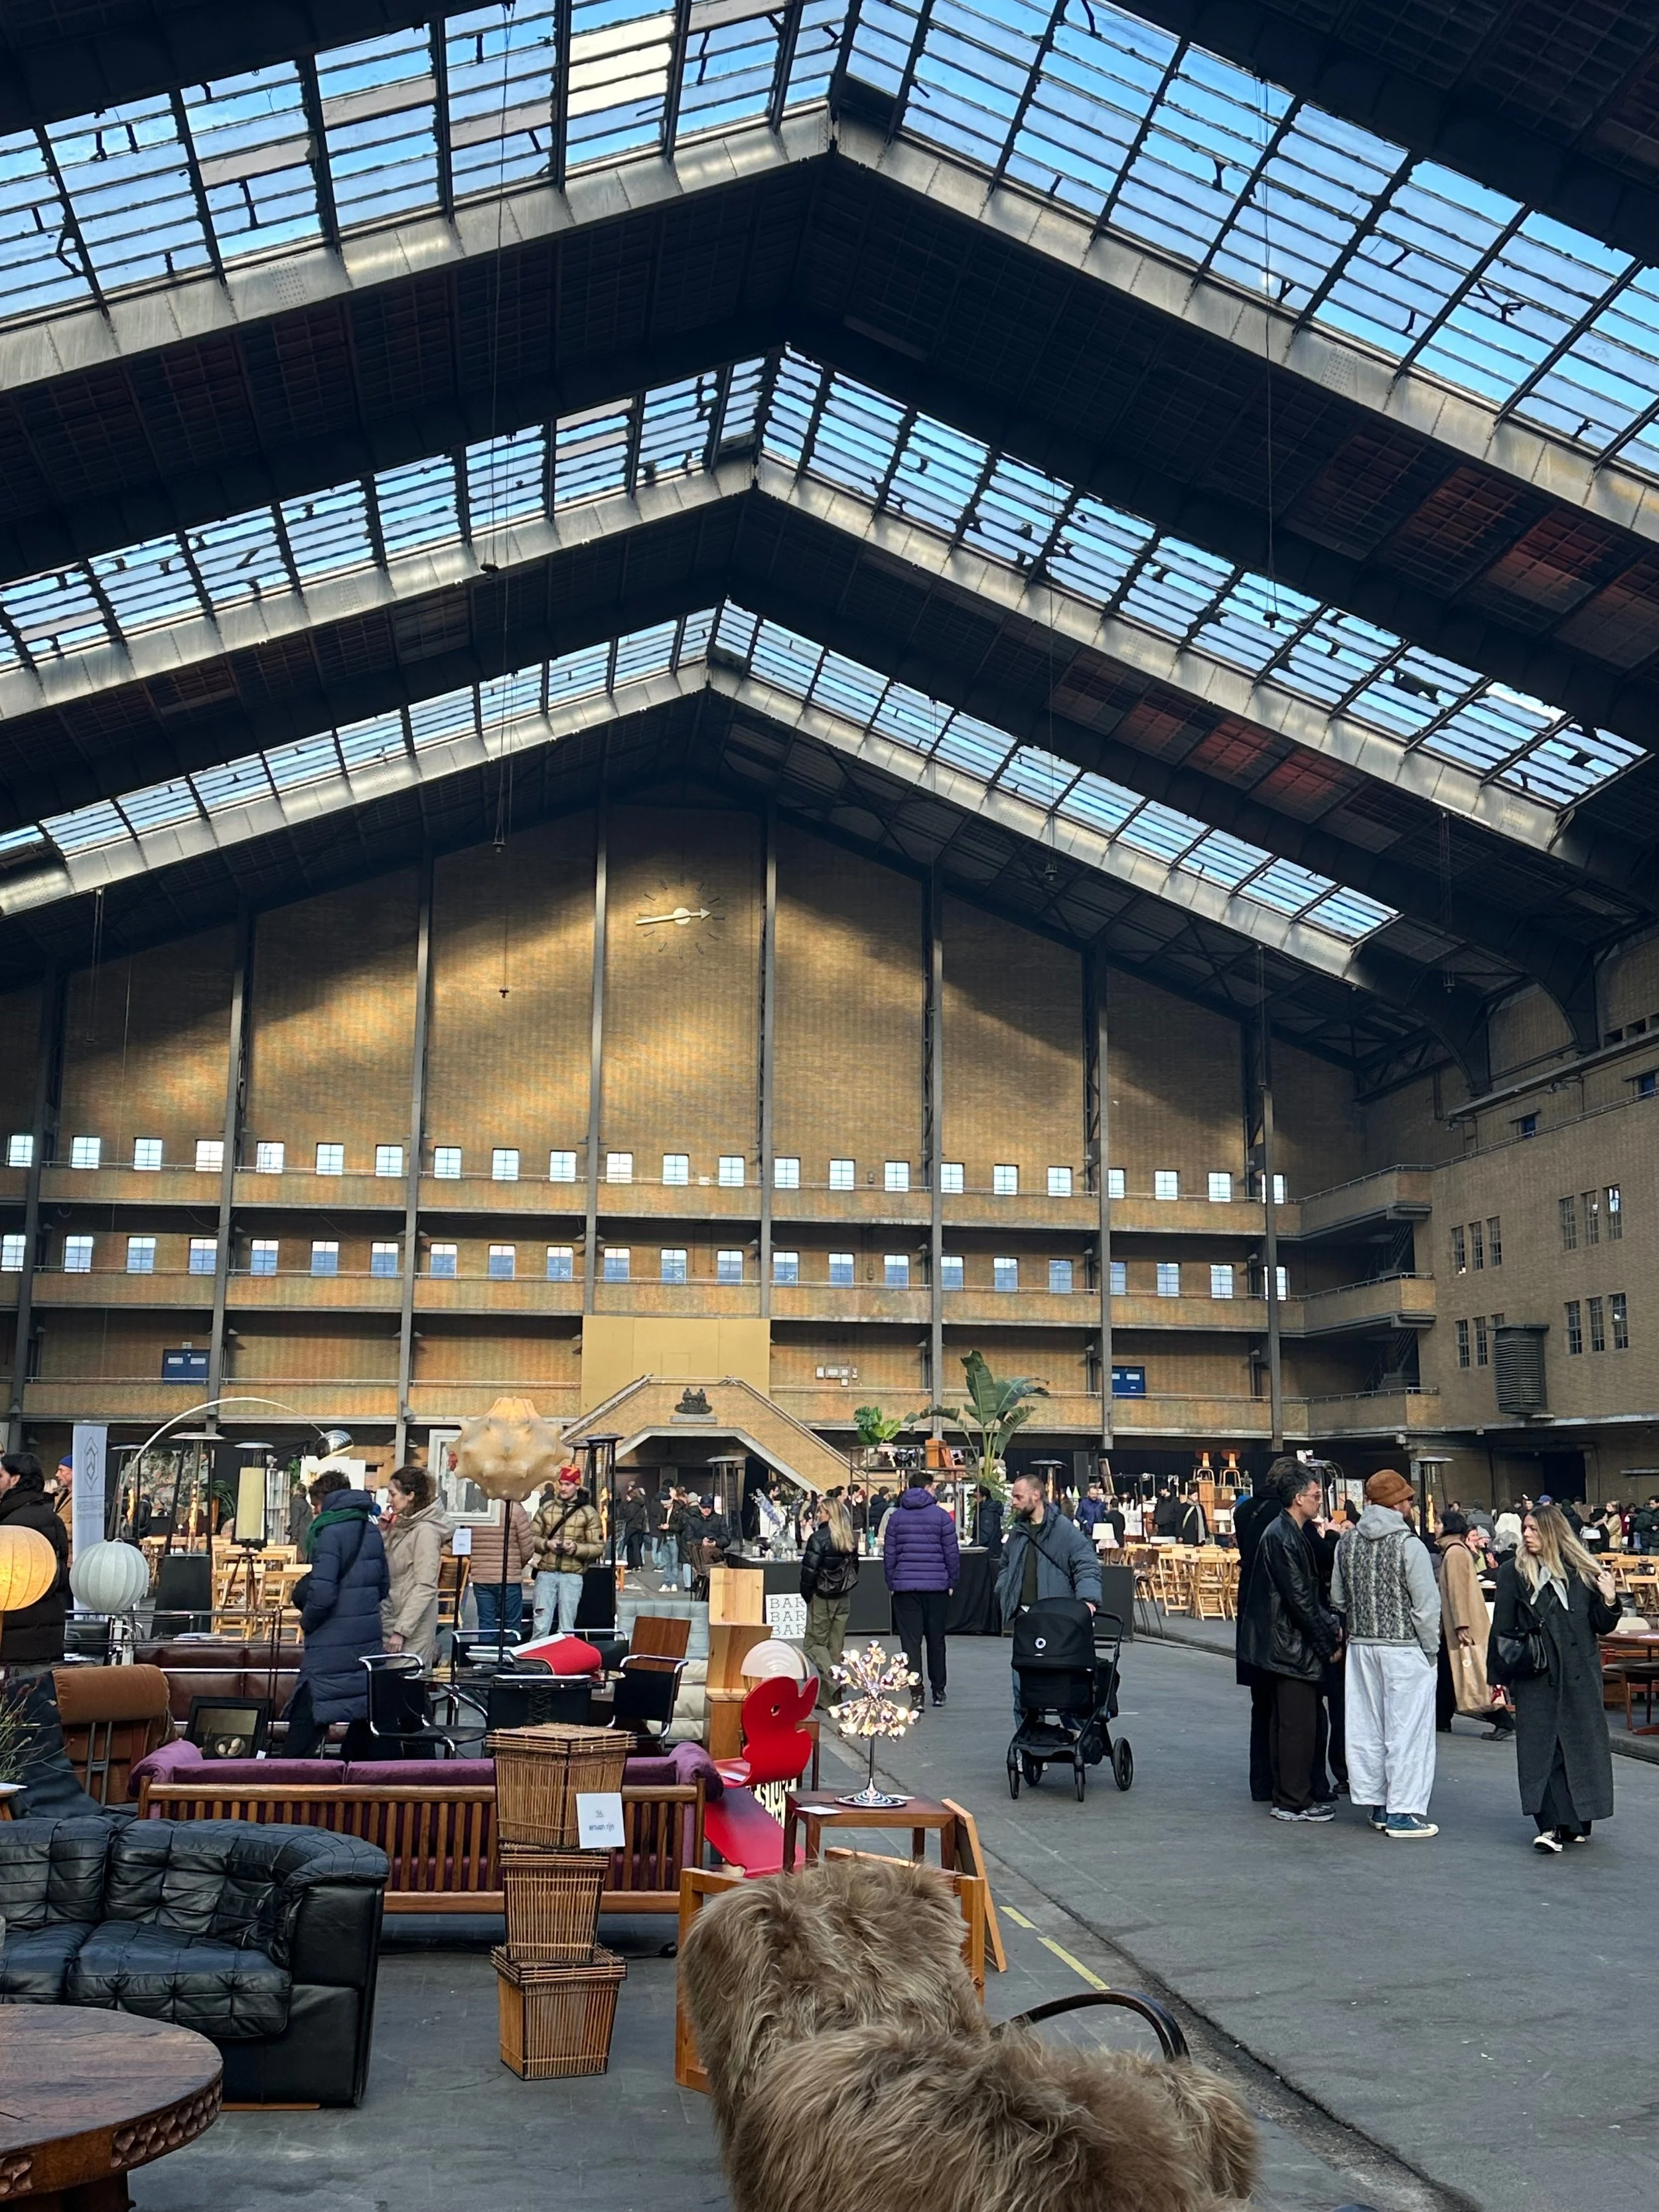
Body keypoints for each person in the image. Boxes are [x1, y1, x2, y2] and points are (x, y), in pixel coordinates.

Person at [1491, 1503, 1621, 1852]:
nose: (1527, 1536)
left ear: (1551, 1532)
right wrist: (1498, 1678)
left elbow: (1601, 1623)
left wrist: (1610, 1599)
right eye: (1525, 1529)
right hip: (1536, 1673)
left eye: (1534, 1530)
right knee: (1541, 1749)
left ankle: (1575, 1821)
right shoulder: (1513, 1572)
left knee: (1577, 1746)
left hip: (1580, 1672)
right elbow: (1502, 1627)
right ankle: (1549, 1825)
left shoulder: (1583, 1570)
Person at [1331, 1470, 1441, 1840]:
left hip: (1361, 1647)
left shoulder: (1346, 1544)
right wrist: (1431, 1651)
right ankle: (1403, 1811)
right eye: (1408, 1499)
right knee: (1407, 1731)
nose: (1410, 1504)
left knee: (1367, 1727)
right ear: (1398, 1504)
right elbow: (1426, 1606)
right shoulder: (1409, 1545)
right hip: (1404, 1648)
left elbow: (1338, 1598)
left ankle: (1377, 1802)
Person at [1236, 1461, 1341, 1822]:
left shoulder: (1284, 1531)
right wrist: (1329, 1638)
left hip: (1283, 1641)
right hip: (1289, 1646)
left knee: (1292, 1721)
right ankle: (1293, 1799)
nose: (1318, 1502)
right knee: (1297, 1725)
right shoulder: (1283, 1536)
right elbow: (1300, 1599)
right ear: (1299, 1498)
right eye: (1315, 1496)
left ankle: (1290, 1794)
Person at [285, 1471, 388, 1757]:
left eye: (316, 1506)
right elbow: (384, 1585)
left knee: (310, 1704)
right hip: (366, 1635)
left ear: (326, 1502)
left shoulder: (328, 1533)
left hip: (331, 1637)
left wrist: (307, 1622)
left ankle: (288, 1779)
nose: (315, 1512)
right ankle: (356, 1775)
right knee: (362, 1703)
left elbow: (323, 1593)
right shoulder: (371, 1530)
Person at [996, 1468, 1104, 1717]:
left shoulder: (1063, 1529)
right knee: (1023, 1691)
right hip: (1026, 1620)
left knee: (1062, 1686)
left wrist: (1088, 1602)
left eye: (1017, 1497)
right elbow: (1005, 1564)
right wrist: (1004, 1589)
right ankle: (1029, 1747)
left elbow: (1086, 1563)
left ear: (1036, 1496)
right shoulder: (1018, 1532)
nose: (1013, 1502)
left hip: (1057, 1621)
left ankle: (1077, 1738)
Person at [1232, 1462, 1287, 1804]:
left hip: (1248, 1606)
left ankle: (1260, 1781)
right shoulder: (1283, 1517)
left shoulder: (1245, 1512)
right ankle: (1287, 1778)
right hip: (1276, 1611)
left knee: (1260, 1705)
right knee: (1288, 1706)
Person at [882, 1469, 959, 1709]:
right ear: (927, 1488)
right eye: (934, 1487)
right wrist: (952, 1582)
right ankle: (939, 1690)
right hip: (936, 1587)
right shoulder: (942, 1517)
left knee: (910, 1643)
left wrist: (892, 1582)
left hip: (906, 1588)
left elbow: (890, 1555)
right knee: (936, 1640)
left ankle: (916, 1693)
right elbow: (952, 1553)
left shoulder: (896, 1517)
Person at [1437, 1511, 1510, 1739]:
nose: (1436, 1526)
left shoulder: (1455, 1553)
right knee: (1447, 1673)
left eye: (1439, 1523)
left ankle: (1502, 1719)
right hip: (1456, 1625)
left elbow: (1457, 1591)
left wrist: (1461, 1624)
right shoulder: (1455, 1551)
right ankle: (1441, 1719)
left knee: (1473, 1675)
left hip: (1461, 1626)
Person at [0, 1451, 70, 1672]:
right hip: (40, 1636)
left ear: (15, 1479)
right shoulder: (46, 1515)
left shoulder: (15, 1521)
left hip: (18, 1635)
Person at [380, 1465, 450, 1668]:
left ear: (410, 1495)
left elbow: (425, 1586)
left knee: (403, 1689)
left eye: (392, 1494)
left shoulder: (425, 1532)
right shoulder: (403, 1527)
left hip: (409, 1630)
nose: (388, 1500)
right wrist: (384, 1534)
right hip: (394, 1619)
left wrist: (401, 1631)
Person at [531, 1465, 605, 1635]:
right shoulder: (547, 1508)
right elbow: (530, 1537)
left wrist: (575, 1548)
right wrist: (547, 1544)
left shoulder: (589, 1513)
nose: (563, 1488)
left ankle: (562, 1661)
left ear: (577, 1486)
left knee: (566, 1628)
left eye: (568, 1484)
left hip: (572, 1575)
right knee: (540, 1627)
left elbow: (598, 1547)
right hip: (546, 1573)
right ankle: (536, 1660)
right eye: (561, 1483)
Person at [800, 1495, 860, 1682]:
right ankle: (830, 1700)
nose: (818, 1515)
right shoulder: (848, 1537)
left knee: (814, 1645)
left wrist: (807, 1593)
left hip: (822, 1596)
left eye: (821, 1511)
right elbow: (855, 1567)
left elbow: (809, 1570)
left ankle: (837, 1678)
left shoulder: (818, 1538)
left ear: (828, 1514)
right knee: (835, 1648)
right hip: (843, 1596)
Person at [470, 1491, 536, 1645]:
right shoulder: (515, 1510)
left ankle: (486, 1660)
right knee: (512, 1626)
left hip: (482, 1577)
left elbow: (464, 1543)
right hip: (509, 1578)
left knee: (486, 1624)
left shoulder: (475, 1510)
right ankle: (509, 1661)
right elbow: (527, 1549)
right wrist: (517, 1566)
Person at [618, 1483, 649, 1572]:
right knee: (634, 1545)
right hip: (638, 1527)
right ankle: (637, 1564)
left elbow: (630, 1515)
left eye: (628, 1497)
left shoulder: (632, 1505)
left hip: (631, 1526)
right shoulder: (640, 1504)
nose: (627, 1498)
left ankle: (625, 1562)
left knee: (624, 1543)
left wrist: (624, 1520)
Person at [975, 1485, 1005, 1555]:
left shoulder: (987, 1512)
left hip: (988, 1551)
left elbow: (985, 1534)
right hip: (993, 1549)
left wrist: (974, 1545)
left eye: (976, 1498)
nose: (975, 1501)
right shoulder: (989, 1510)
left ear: (984, 1498)